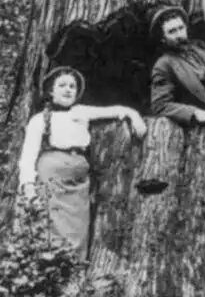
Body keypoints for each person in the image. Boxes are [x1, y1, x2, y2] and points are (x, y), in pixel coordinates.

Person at [18, 66, 146, 259]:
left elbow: (117, 110)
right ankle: (49, 267)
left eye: (72, 86)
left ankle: (74, 268)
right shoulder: (40, 119)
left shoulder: (81, 112)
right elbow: (28, 155)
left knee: (77, 227)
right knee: (50, 223)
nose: (68, 90)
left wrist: (134, 116)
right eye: (62, 85)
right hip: (51, 177)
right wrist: (27, 185)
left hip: (78, 180)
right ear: (51, 91)